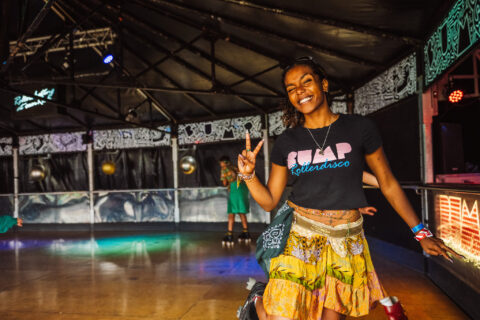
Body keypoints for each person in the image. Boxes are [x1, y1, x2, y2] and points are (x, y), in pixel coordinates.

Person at [236, 57, 461, 320]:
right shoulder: (288, 140)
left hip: (346, 241)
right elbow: (269, 201)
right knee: (281, 317)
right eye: (291, 88)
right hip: (301, 237)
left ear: (324, 84)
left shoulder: (358, 128)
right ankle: (257, 302)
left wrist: (421, 233)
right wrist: (249, 175)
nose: (300, 91)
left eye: (306, 82)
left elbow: (386, 181)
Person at [220, 155, 251, 247]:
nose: (220, 165)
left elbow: (224, 183)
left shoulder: (224, 169)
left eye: (221, 163)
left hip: (234, 189)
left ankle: (229, 235)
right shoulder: (235, 167)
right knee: (241, 212)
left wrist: (226, 181)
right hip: (243, 189)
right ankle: (246, 233)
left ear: (223, 162)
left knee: (231, 212)